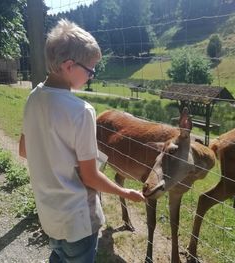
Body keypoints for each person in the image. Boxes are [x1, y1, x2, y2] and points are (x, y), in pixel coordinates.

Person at [19, 19, 145, 263]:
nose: (91, 76)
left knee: (58, 255)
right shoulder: (82, 111)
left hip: (49, 215)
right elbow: (90, 177)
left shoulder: (33, 98)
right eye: (90, 70)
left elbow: (25, 150)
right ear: (68, 66)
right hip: (78, 221)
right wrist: (125, 192)